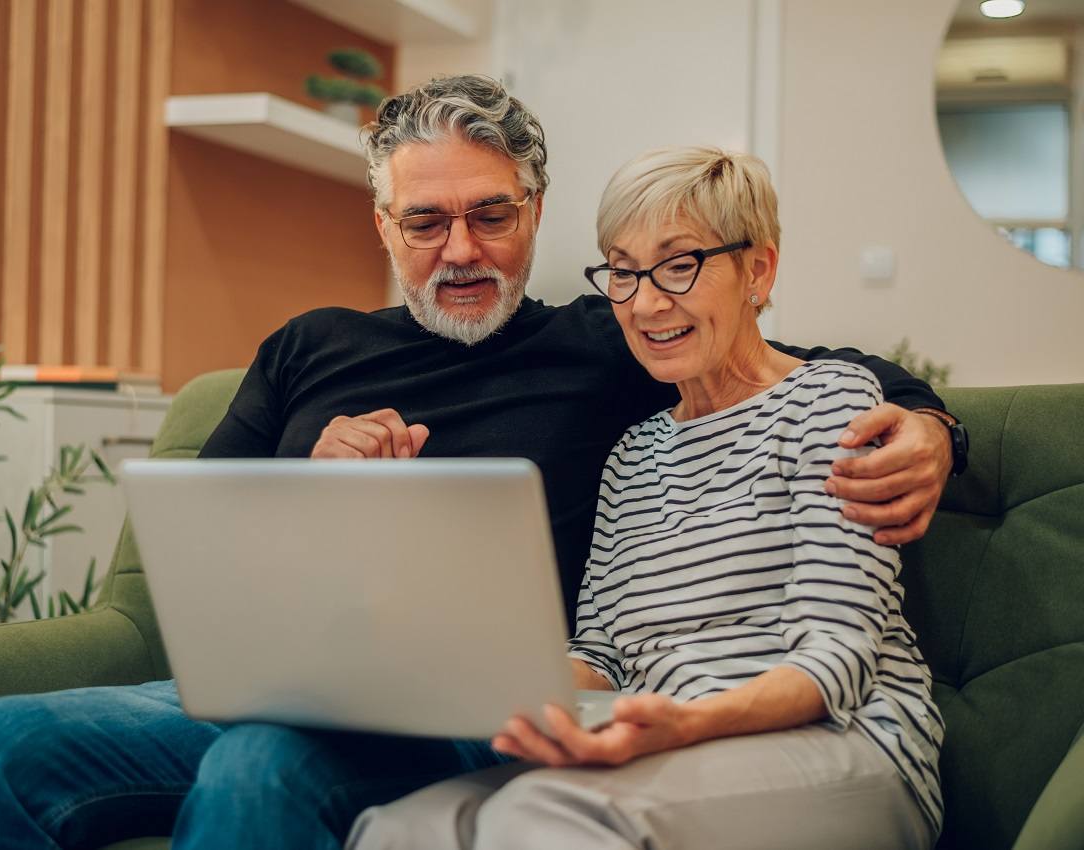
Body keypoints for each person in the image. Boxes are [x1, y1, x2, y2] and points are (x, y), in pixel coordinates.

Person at [0, 77, 955, 850]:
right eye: (426, 220)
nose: (460, 249)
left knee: (259, 769)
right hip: (258, 681)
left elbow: (791, 370)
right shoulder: (303, 347)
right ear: (383, 225)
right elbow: (199, 545)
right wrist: (307, 484)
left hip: (455, 709)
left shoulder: (609, 338)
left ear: (532, 213)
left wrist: (925, 421)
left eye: (490, 215)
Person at [346, 146, 942, 850]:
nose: (647, 302)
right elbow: (599, 653)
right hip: (671, 745)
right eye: (623, 272)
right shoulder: (633, 454)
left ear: (757, 271)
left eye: (680, 264)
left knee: (541, 816)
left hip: (848, 745)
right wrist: (477, 686)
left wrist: (686, 724)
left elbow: (837, 658)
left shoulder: (830, 402)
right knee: (401, 826)